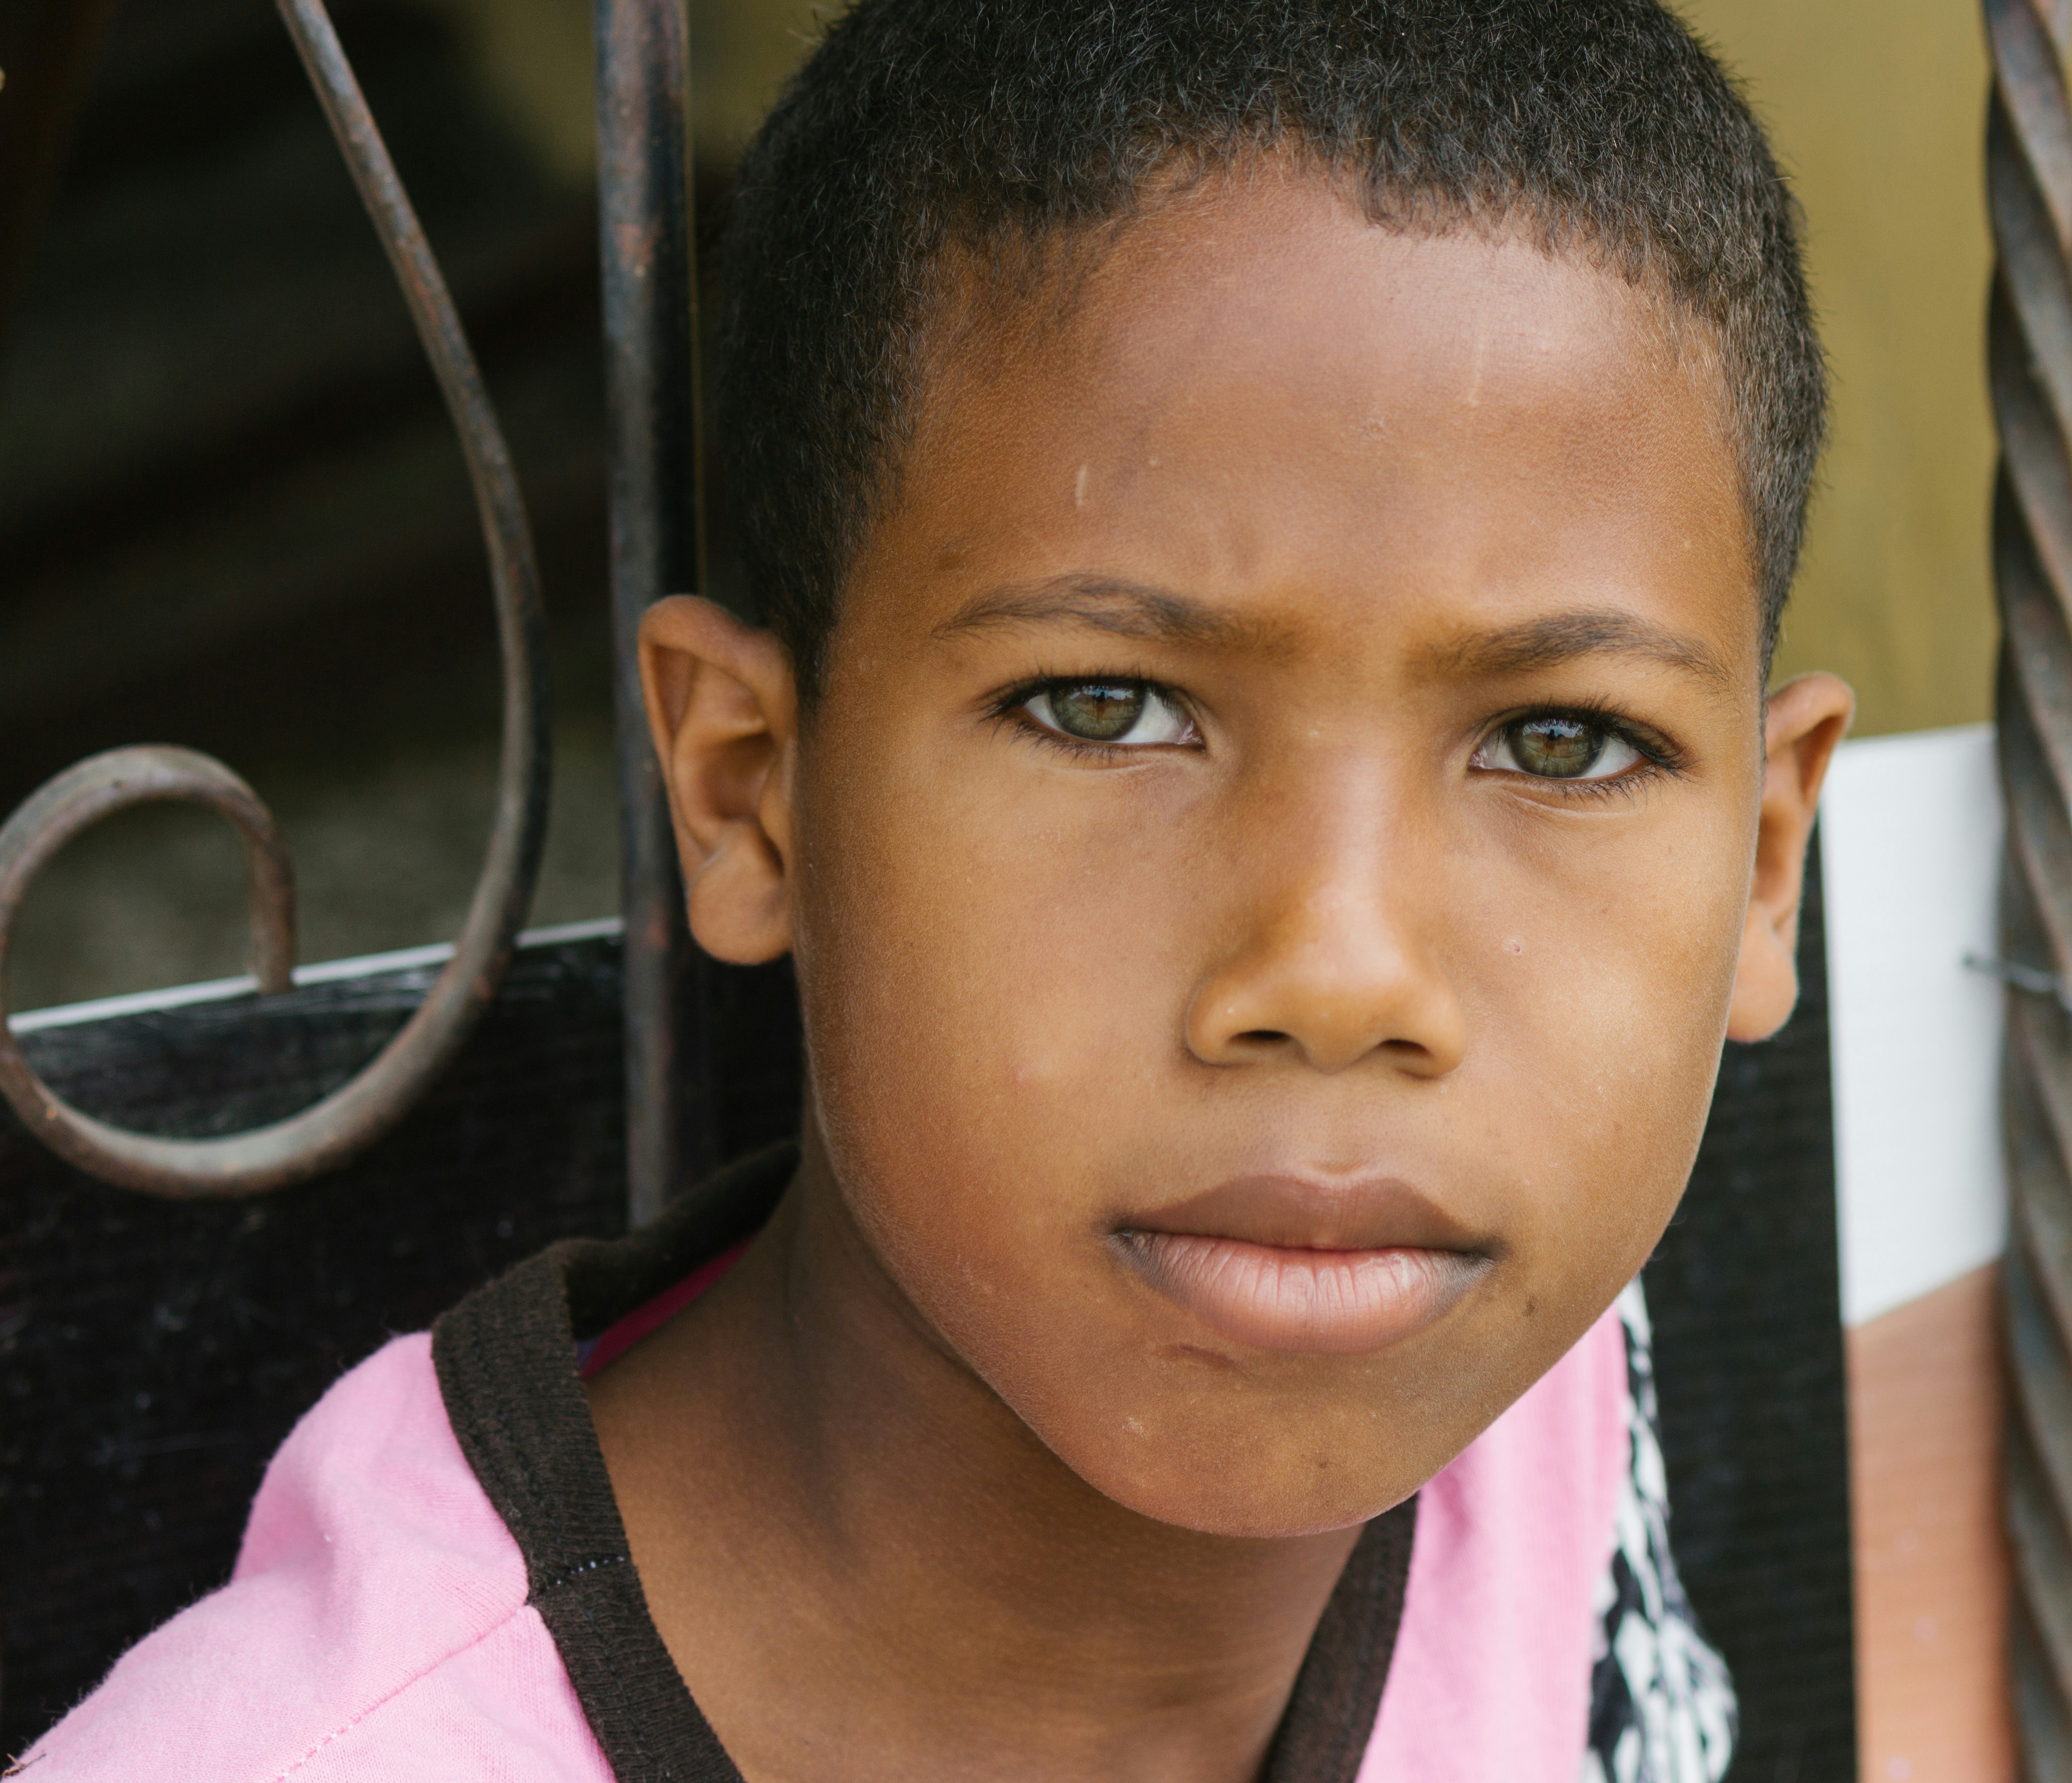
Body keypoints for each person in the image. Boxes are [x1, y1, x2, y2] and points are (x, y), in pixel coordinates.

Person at [17, 0, 1846, 1776]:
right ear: (748, 794)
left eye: (1561, 743)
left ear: (1764, 864)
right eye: (1106, 708)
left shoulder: (1527, 1396)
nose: (1343, 974)